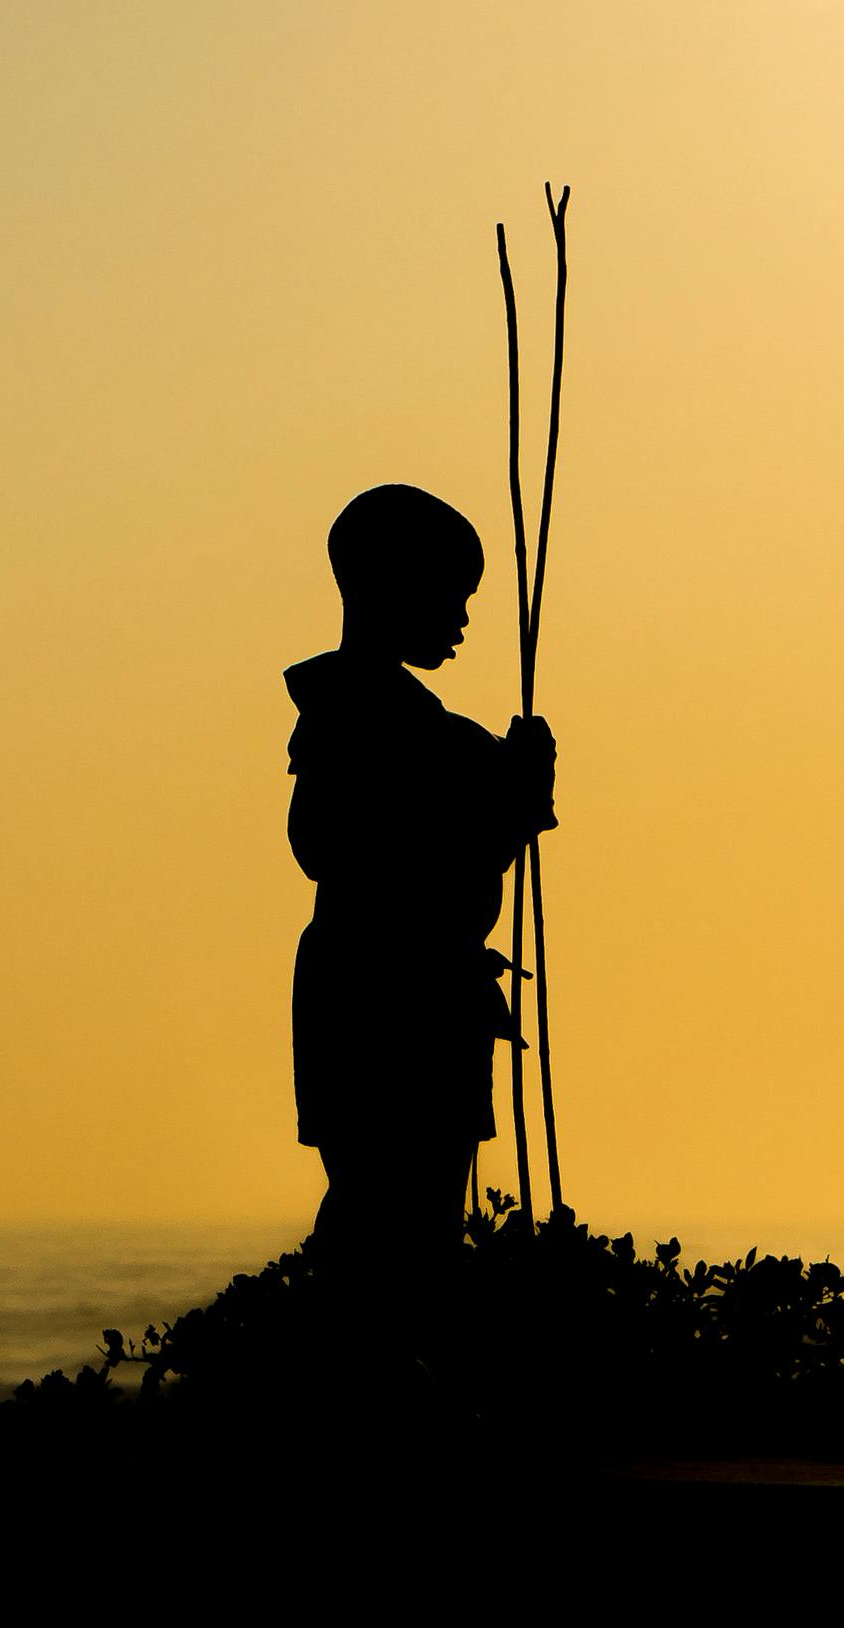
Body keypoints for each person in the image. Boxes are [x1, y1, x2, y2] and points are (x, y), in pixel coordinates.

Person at [283, 483, 555, 1294]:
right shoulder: (382, 723)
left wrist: (506, 797)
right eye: (451, 595)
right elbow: (368, 855)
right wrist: (515, 799)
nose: (464, 619)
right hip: (399, 1005)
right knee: (399, 1228)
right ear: (388, 589)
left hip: (379, 996)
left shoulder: (360, 715)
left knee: (392, 1216)